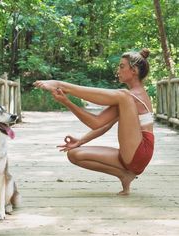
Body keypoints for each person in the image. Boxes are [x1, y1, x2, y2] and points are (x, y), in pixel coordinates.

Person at [34, 48, 154, 195]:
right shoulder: (126, 102)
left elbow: (120, 102)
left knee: (123, 95)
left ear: (134, 70)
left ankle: (62, 84)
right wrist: (67, 104)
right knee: (74, 154)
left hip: (140, 152)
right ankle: (124, 175)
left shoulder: (133, 96)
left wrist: (63, 88)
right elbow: (97, 123)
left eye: (122, 66)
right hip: (129, 155)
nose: (118, 70)